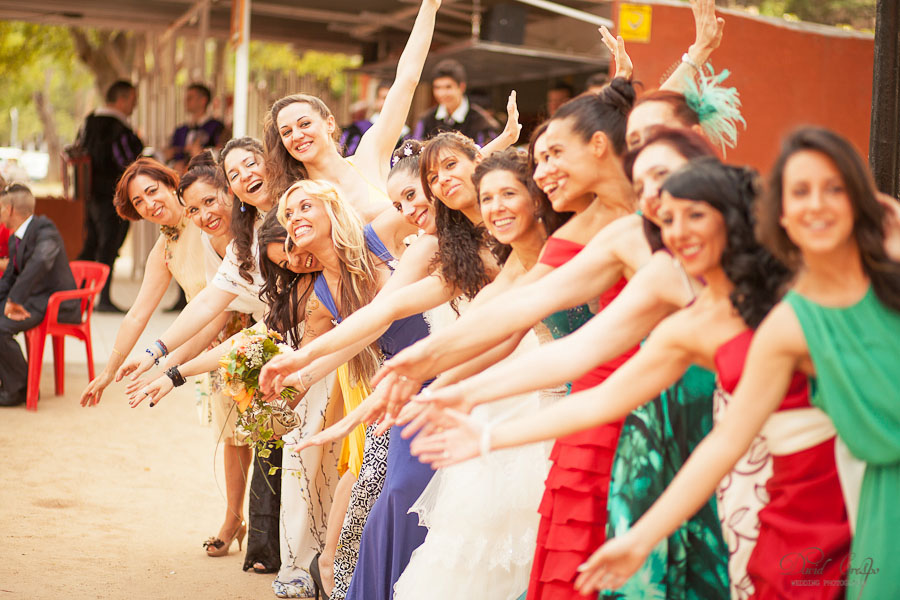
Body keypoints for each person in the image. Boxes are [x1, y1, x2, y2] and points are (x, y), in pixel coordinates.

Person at [577, 128, 900, 600]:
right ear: (781, 215)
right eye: (801, 192)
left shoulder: (888, 282)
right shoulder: (790, 322)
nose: (817, 204)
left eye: (834, 188)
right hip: (871, 500)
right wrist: (641, 538)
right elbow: (724, 443)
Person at [0, 183, 80, 407]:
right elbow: (9, 277)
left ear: (10, 209)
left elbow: (41, 261)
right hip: (32, 300)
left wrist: (14, 300)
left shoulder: (46, 230)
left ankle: (20, 388)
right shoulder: (15, 237)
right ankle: (14, 381)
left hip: (55, 304)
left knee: (0, 329)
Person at [75, 79, 144, 313]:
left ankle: (78, 296)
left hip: (91, 194)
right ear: (122, 99)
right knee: (109, 245)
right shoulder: (117, 128)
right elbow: (128, 160)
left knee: (91, 243)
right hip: (113, 195)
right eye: (133, 100)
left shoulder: (88, 122)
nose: (135, 105)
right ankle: (103, 298)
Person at [410, 58, 500, 146]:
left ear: (461, 87)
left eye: (448, 87)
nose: (442, 93)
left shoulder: (482, 123)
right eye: (437, 87)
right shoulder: (426, 120)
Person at [165, 83, 226, 173]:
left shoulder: (216, 127)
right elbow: (169, 153)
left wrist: (201, 153)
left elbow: (221, 153)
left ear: (203, 100)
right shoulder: (181, 130)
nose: (186, 102)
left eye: (190, 98)